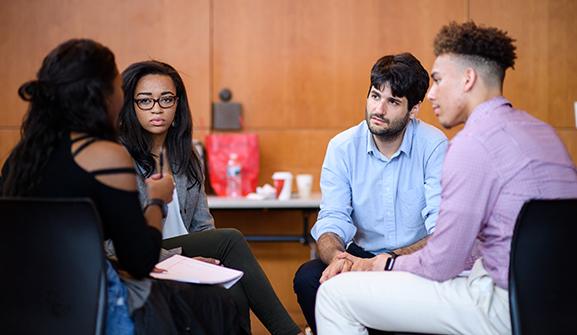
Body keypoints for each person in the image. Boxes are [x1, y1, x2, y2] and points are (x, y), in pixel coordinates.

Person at [315, 21, 577, 335]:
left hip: (507, 302)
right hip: (562, 297)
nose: (433, 94)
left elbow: (444, 261)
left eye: (438, 80)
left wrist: (379, 264)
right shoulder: (544, 133)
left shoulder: (471, 143)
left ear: (468, 79)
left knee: (332, 295)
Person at [0, 39, 242, 335]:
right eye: (118, 86)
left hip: (20, 299)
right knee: (220, 303)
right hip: (92, 297)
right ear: (100, 96)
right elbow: (138, 261)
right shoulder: (107, 156)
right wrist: (156, 201)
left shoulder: (21, 157)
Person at [118, 60, 303, 335]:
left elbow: (203, 228)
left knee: (235, 289)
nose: (157, 108)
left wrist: (208, 264)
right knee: (230, 239)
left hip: (185, 257)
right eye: (145, 101)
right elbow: (113, 243)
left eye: (166, 99)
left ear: (178, 105)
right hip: (149, 259)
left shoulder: (188, 157)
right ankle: (290, 332)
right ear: (130, 107)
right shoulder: (120, 160)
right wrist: (176, 258)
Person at [293, 52, 448, 333]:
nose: (379, 109)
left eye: (393, 102)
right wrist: (340, 259)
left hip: (410, 262)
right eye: (375, 96)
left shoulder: (434, 146)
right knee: (308, 277)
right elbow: (332, 219)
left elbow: (442, 231)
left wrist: (386, 262)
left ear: (414, 109)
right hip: (358, 257)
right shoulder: (342, 146)